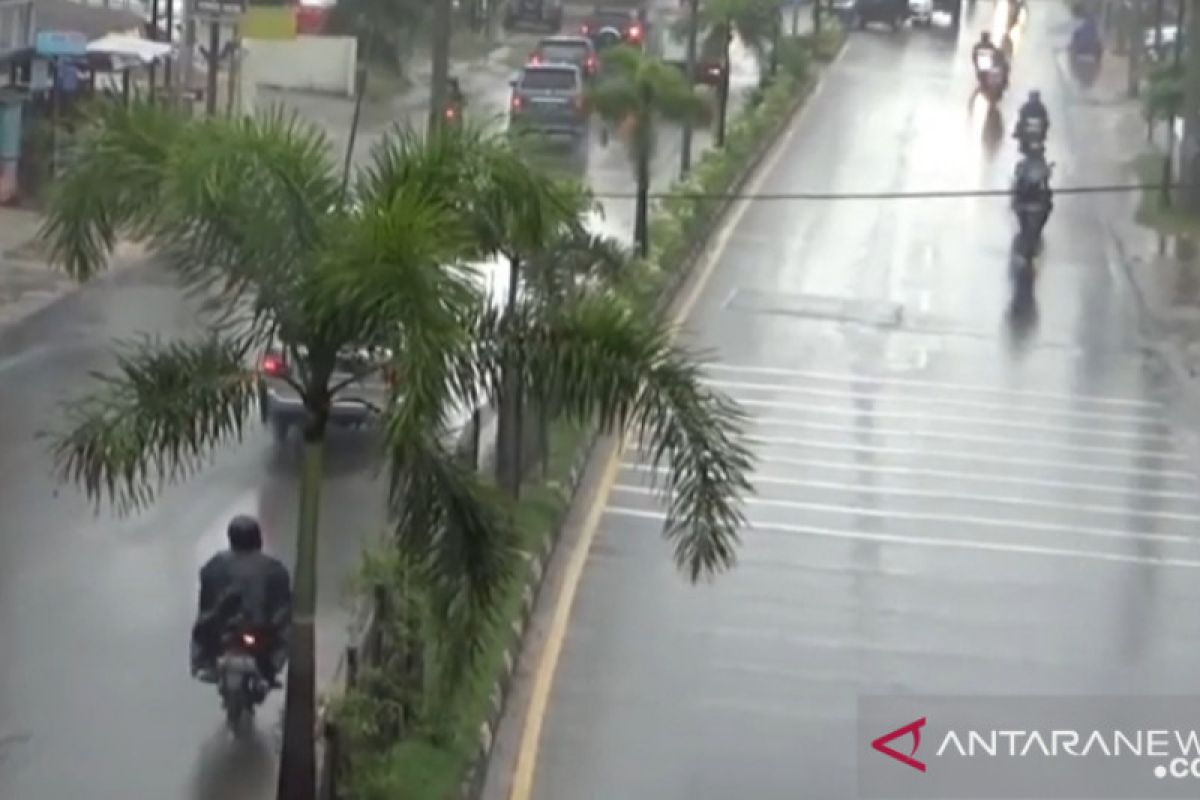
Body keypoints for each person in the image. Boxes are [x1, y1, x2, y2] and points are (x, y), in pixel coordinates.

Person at [190, 515, 292, 687]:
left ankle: (200, 663)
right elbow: (282, 605)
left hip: (225, 629)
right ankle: (271, 670)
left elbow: (205, 602)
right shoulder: (274, 568)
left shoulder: (215, 564)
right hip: (257, 629)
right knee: (287, 630)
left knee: (200, 630)